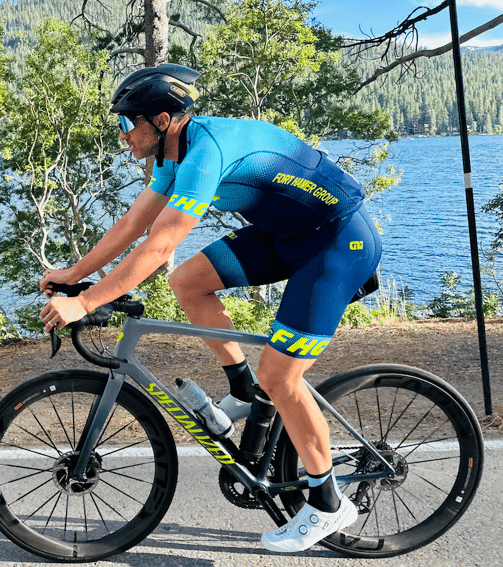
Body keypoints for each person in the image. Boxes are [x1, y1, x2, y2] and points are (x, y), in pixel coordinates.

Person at [39, 63, 381, 553]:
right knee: (189, 281)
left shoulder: (204, 153)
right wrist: (73, 275)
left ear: (160, 120)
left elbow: (158, 247)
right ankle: (243, 389)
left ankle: (329, 503)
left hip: (336, 243)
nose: (120, 135)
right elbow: (137, 222)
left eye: (124, 123)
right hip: (285, 236)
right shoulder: (173, 152)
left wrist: (89, 301)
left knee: (281, 377)